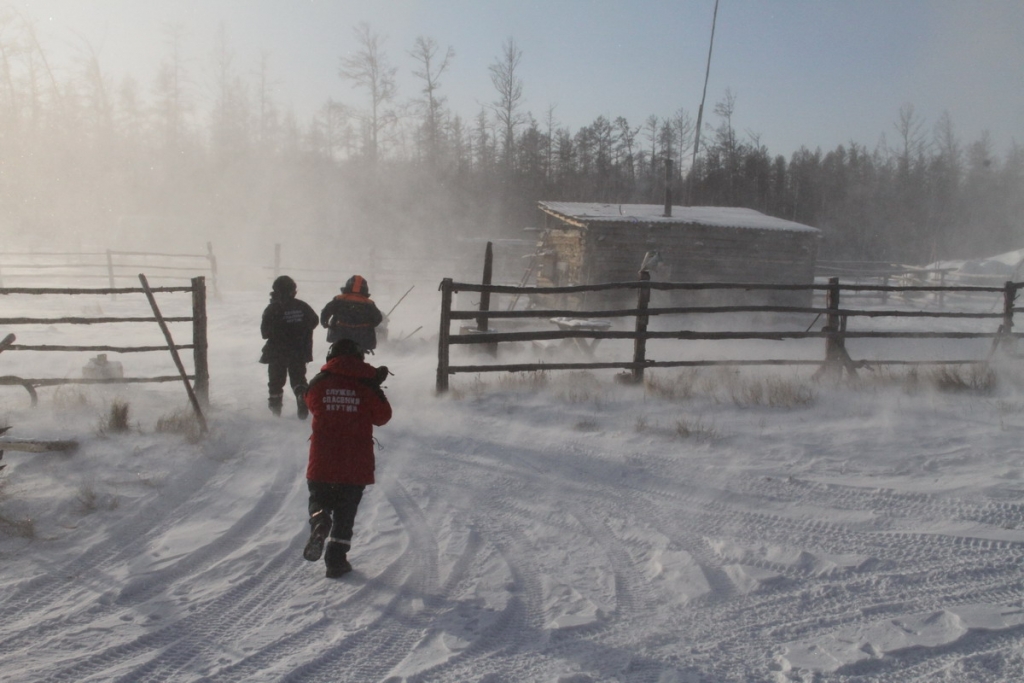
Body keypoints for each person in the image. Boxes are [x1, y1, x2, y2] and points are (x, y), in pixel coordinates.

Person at [302, 339, 392, 578]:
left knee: (318, 497)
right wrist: (374, 386)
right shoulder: (366, 383)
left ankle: (319, 520)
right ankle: (336, 561)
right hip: (355, 459)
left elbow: (309, 402)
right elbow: (383, 417)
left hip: (323, 456)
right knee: (345, 511)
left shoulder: (319, 382)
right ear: (359, 358)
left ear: (331, 357)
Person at [259, 275, 318, 419]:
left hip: (277, 352)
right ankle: (301, 395)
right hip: (299, 351)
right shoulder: (302, 306)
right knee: (298, 378)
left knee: (276, 381)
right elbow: (314, 321)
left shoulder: (273, 308)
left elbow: (265, 333)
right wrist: (299, 330)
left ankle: (276, 411)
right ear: (293, 291)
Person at [320, 275, 384, 353]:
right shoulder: (369, 303)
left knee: (338, 354)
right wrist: (369, 326)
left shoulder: (339, 299)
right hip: (362, 338)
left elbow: (326, 312)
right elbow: (378, 318)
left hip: (340, 335)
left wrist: (325, 323)